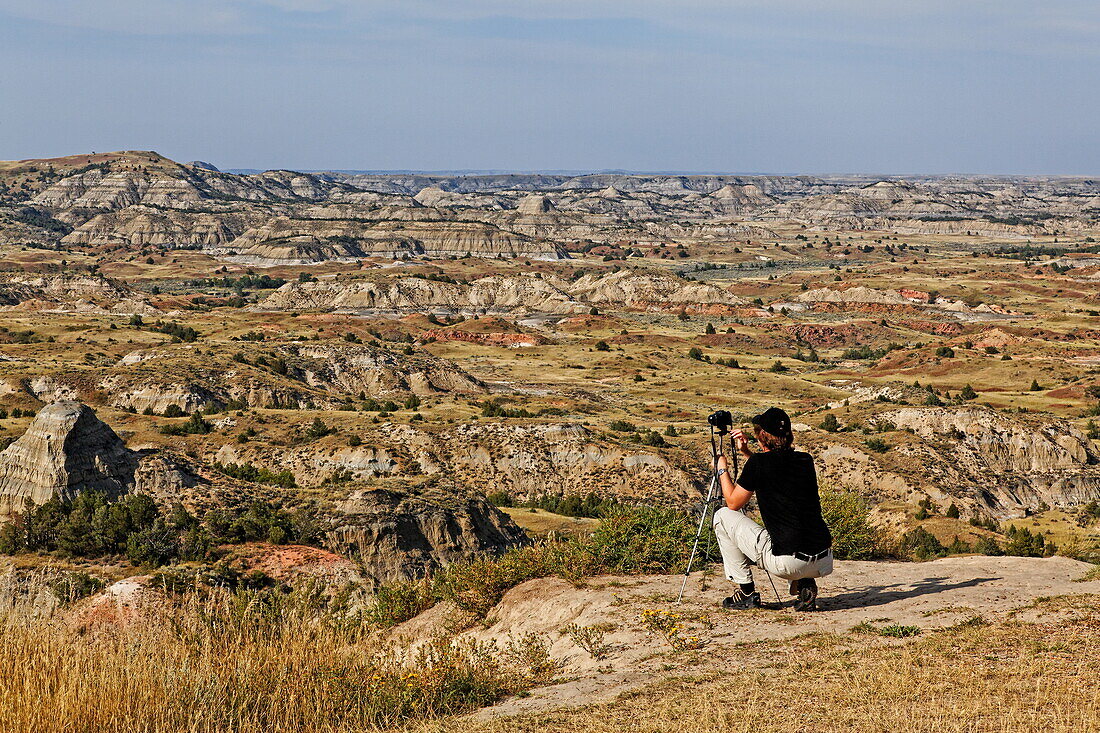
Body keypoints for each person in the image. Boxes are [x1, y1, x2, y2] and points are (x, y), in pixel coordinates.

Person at [712, 407, 833, 611]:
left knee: (722, 516)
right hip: (823, 559)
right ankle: (805, 584)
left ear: (762, 436)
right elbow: (773, 469)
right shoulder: (805, 460)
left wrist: (721, 468)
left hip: (787, 562)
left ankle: (746, 593)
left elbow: (733, 503)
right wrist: (746, 452)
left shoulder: (759, 464)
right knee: (795, 527)